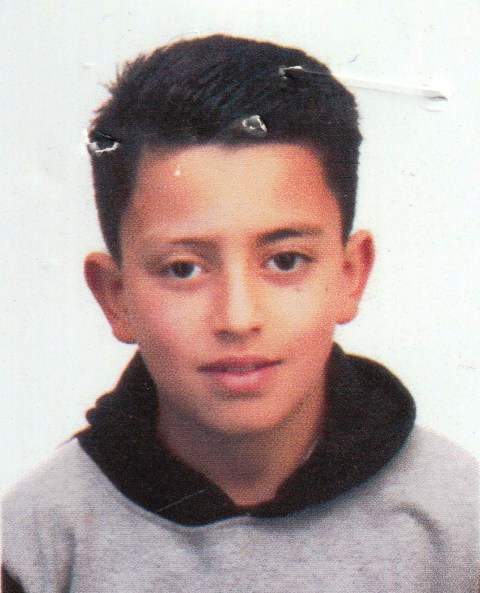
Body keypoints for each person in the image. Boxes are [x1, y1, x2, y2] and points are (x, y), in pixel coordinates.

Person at [2, 34, 478, 593]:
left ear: (351, 275)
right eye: (183, 269)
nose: (238, 318)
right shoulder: (35, 546)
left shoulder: (460, 527)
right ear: (115, 296)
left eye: (285, 261)